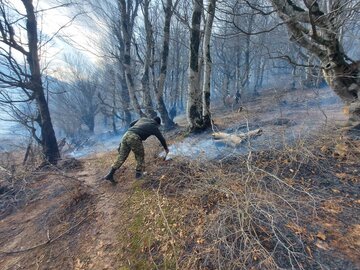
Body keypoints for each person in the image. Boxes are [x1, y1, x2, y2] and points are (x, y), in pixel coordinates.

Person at [104, 116, 169, 182]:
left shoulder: (143, 119)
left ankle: (110, 174)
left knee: (122, 157)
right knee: (140, 156)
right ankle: (138, 175)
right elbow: (161, 139)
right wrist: (166, 149)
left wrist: (133, 130)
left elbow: (131, 124)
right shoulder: (154, 126)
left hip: (126, 135)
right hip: (134, 137)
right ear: (157, 124)